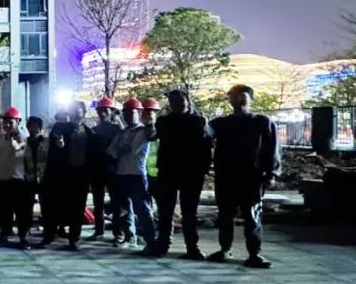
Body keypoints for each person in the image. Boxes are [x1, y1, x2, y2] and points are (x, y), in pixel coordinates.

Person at [208, 85, 280, 269]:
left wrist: (271, 173)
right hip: (226, 176)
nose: (238, 100)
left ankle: (254, 253)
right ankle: (224, 249)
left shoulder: (262, 122)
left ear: (250, 99)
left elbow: (272, 149)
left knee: (252, 215)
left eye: (242, 96)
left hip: (252, 177)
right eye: (234, 96)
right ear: (229, 100)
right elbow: (204, 135)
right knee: (225, 215)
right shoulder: (220, 123)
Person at [149, 90, 213, 259]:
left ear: (187, 101)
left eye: (180, 100)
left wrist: (203, 169)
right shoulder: (163, 121)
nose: (177, 104)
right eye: (173, 101)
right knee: (165, 211)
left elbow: (206, 146)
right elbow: (155, 137)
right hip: (168, 171)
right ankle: (164, 244)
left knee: (189, 212)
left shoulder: (198, 121)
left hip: (191, 172)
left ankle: (192, 246)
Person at [107, 98, 156, 253]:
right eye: (126, 112)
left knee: (142, 209)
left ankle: (150, 241)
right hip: (121, 174)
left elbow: (131, 149)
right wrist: (121, 149)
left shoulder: (143, 131)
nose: (128, 115)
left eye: (132, 112)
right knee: (124, 209)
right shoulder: (123, 132)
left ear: (139, 113)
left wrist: (121, 149)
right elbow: (112, 151)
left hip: (137, 174)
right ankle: (130, 237)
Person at [41, 101, 90, 250]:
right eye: (72, 110)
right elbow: (55, 141)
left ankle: (74, 239)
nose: (75, 113)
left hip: (80, 176)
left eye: (78, 111)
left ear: (84, 113)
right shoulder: (60, 127)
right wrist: (59, 143)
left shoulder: (89, 132)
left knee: (78, 208)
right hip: (61, 176)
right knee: (54, 207)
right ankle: (49, 236)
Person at [0, 108, 31, 248]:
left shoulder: (25, 138)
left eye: (10, 122)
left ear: (18, 122)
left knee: (22, 212)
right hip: (2, 179)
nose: (7, 125)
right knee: (4, 211)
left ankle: (23, 237)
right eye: (5, 122)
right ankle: (4, 235)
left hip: (19, 181)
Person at [86, 97, 122, 242]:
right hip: (97, 170)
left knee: (116, 202)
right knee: (98, 202)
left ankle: (117, 232)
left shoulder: (116, 128)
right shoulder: (94, 130)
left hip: (112, 170)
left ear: (111, 111)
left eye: (105, 110)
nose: (102, 113)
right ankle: (99, 230)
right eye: (100, 110)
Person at [22, 116, 48, 247]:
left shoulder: (46, 142)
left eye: (36, 126)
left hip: (44, 178)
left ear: (40, 127)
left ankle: (48, 234)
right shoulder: (24, 142)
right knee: (26, 208)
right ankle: (24, 233)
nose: (34, 128)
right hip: (29, 179)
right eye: (31, 126)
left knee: (46, 208)